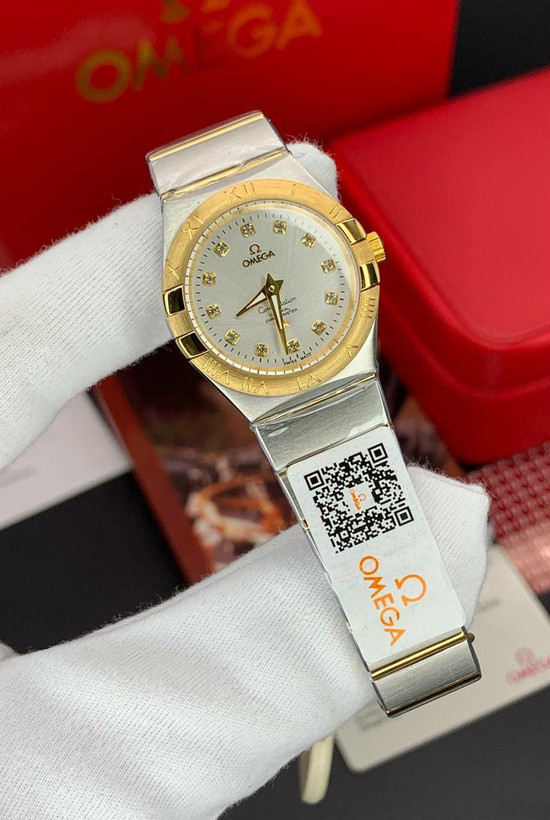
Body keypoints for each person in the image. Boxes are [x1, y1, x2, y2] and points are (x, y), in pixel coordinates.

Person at [0, 143, 488, 819]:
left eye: (276, 287)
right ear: (191, 325)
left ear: (360, 256)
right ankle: (412, 644)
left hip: (333, 373)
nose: (270, 294)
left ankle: (415, 645)